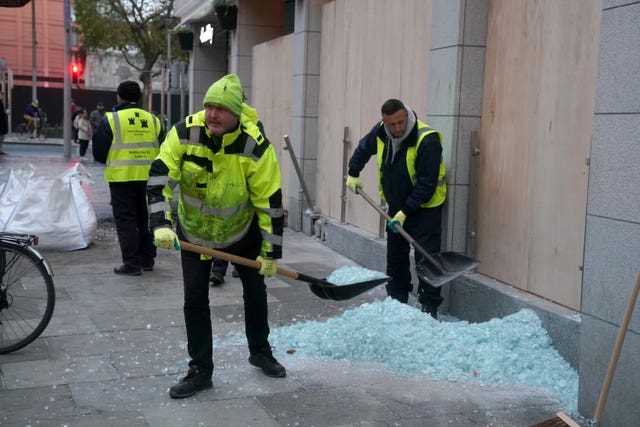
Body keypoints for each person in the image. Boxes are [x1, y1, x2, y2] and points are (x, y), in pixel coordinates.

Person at [147, 73, 286, 399]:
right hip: (193, 232)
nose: (212, 114)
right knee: (195, 299)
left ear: (237, 113)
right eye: (209, 106)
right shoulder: (183, 133)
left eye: (221, 109)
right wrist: (161, 224)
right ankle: (200, 370)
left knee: (255, 292)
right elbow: (159, 176)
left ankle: (260, 350)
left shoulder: (255, 145)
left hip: (241, 231)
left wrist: (271, 252)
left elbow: (270, 202)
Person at [345, 99, 447, 318]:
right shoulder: (382, 131)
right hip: (397, 206)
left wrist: (406, 211)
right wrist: (353, 172)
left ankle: (429, 307)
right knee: (396, 255)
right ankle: (397, 300)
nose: (398, 128)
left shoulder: (426, 140)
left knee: (426, 256)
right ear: (384, 121)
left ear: (407, 117)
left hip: (425, 208)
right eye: (392, 124)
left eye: (401, 122)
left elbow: (427, 185)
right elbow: (365, 147)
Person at [93, 81, 164, 276]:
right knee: (145, 219)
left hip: (121, 179)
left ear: (119, 97)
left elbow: (99, 152)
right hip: (149, 180)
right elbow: (165, 149)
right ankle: (148, 260)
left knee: (126, 221)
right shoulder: (154, 120)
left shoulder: (111, 119)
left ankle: (132, 264)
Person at [0, 90, 7, 155]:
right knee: (1, 137)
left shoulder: (1, 102)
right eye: (2, 95)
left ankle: (1, 151)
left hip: (2, 122)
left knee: (2, 137)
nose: (2, 96)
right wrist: (5, 113)